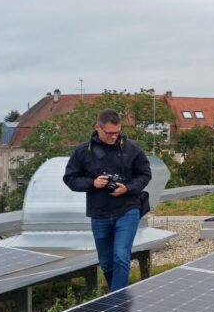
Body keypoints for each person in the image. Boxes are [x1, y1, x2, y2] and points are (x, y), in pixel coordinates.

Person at [63, 109, 152, 291]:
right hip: (99, 213)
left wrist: (127, 188)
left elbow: (145, 174)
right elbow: (70, 179)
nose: (113, 136)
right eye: (109, 133)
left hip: (128, 209)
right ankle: (116, 296)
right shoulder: (83, 151)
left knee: (120, 256)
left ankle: (117, 300)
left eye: (117, 132)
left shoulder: (132, 148)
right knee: (106, 261)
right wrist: (92, 183)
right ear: (98, 127)